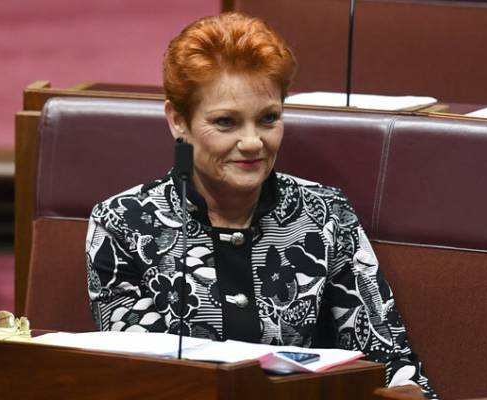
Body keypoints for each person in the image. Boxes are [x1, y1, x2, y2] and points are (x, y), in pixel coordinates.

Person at [86, 12, 437, 398]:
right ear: (177, 121)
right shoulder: (123, 223)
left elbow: (390, 361)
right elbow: (137, 378)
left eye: (268, 118)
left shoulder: (325, 214)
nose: (253, 142)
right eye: (226, 122)